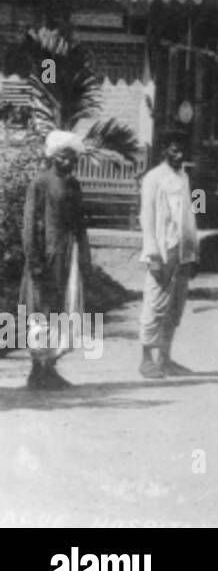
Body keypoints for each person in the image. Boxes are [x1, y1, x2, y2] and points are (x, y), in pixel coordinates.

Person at [19, 130, 92, 390]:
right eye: (63, 156)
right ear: (52, 156)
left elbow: (80, 224)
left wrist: (84, 257)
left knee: (62, 309)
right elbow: (29, 226)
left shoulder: (74, 185)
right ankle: (36, 369)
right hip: (46, 256)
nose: (68, 162)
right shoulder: (40, 183)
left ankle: (50, 368)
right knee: (41, 310)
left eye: (72, 157)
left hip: (67, 255)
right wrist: (34, 259)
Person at [138, 130, 200, 379]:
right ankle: (146, 360)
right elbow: (147, 217)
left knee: (175, 306)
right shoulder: (153, 178)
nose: (179, 155)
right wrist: (152, 254)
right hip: (163, 251)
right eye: (174, 150)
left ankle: (165, 358)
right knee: (155, 305)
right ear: (164, 151)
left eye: (182, 151)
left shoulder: (185, 177)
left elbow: (192, 213)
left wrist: (195, 251)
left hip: (183, 251)